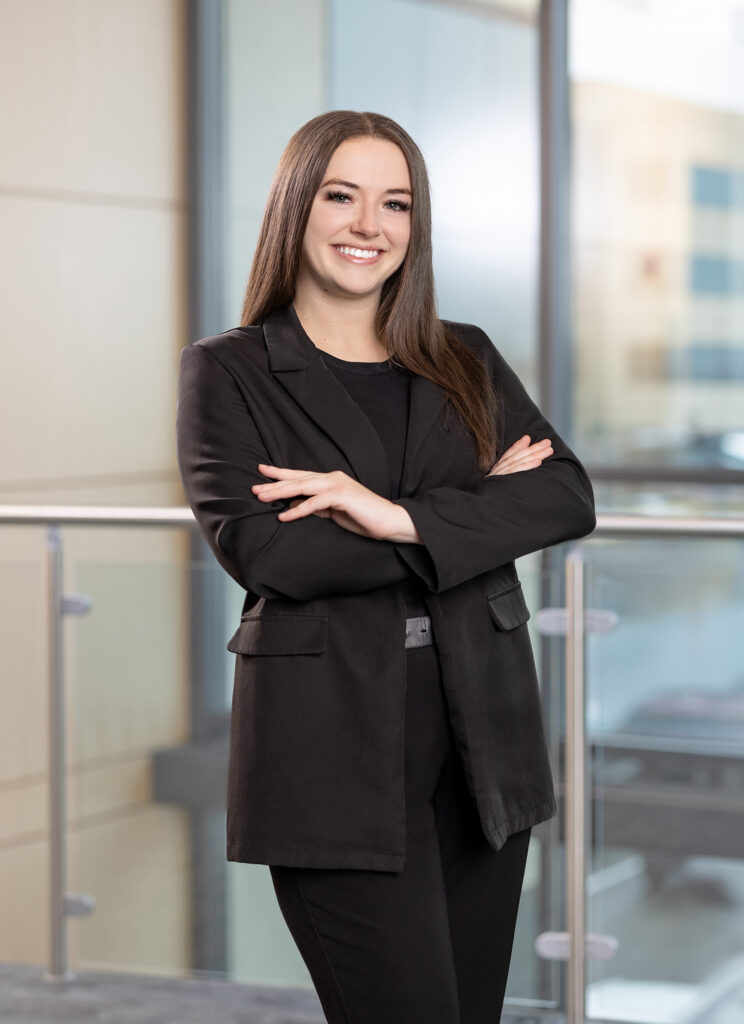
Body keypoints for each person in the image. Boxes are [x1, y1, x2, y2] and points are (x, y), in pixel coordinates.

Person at [176, 110, 595, 1024]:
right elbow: (274, 551)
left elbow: (564, 496)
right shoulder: (231, 372)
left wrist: (386, 513)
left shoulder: (464, 357)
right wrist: (473, 515)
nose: (370, 226)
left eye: (395, 203)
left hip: (485, 735)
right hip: (330, 749)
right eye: (342, 196)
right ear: (298, 207)